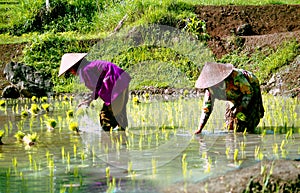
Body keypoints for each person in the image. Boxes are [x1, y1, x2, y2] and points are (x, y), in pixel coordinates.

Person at [58, 53, 131, 131]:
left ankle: (110, 139)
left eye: (70, 71)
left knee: (106, 117)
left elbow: (97, 86)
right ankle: (122, 136)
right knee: (119, 114)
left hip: (114, 85)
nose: (71, 73)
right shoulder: (91, 66)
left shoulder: (85, 70)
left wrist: (89, 100)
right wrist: (89, 99)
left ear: (74, 67)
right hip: (122, 81)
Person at [194, 62, 264, 134]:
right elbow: (207, 108)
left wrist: (241, 107)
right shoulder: (210, 90)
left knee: (248, 122)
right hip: (232, 96)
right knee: (230, 124)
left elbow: (248, 93)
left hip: (250, 88)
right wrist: (200, 129)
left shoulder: (236, 76)